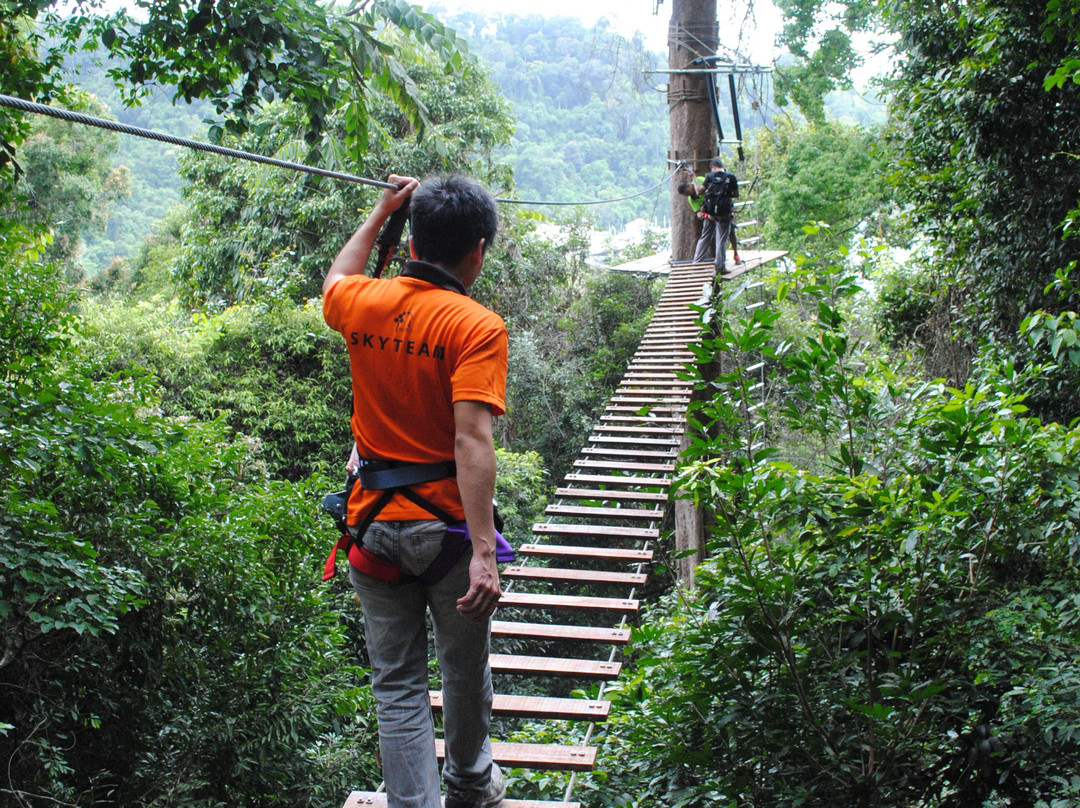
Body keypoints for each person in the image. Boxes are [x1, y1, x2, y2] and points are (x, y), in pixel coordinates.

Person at [322, 173, 508, 808]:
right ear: (477, 250)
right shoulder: (476, 325)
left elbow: (334, 280)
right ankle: (471, 785)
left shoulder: (362, 303)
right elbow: (471, 442)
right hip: (448, 534)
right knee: (463, 670)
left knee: (396, 681)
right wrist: (485, 553)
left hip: (371, 526)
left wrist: (381, 211)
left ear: (411, 245)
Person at [695, 157, 741, 272]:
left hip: (710, 213)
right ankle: (720, 266)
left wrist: (693, 178)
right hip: (724, 213)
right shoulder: (731, 177)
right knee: (721, 240)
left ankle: (697, 261)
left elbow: (699, 191)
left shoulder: (709, 177)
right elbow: (736, 194)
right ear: (722, 166)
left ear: (713, 167)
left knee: (705, 236)